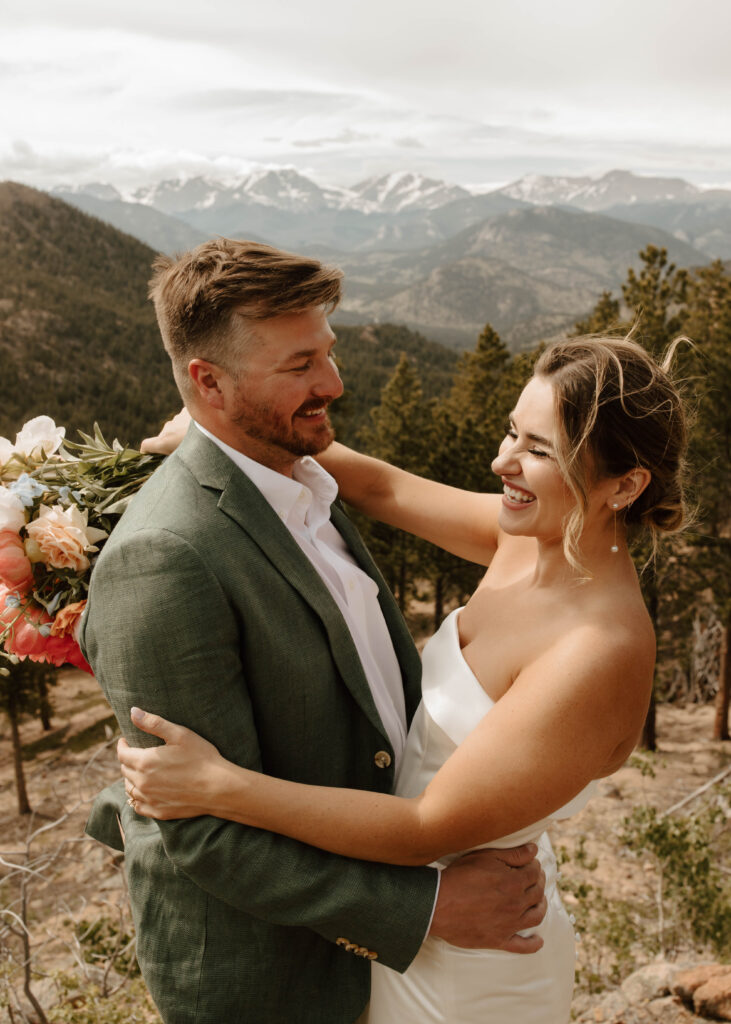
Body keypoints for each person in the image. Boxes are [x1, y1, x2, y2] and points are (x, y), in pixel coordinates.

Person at [117, 334, 689, 1024]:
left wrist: (224, 788)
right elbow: (381, 485)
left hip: (476, 965)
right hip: (419, 928)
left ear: (623, 485)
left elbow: (424, 826)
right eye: (512, 431)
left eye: (538, 451)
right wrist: (220, 434)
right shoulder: (529, 538)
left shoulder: (596, 649)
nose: (500, 461)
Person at [80, 238, 547, 1024]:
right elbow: (202, 836)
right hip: (275, 984)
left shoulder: (303, 480)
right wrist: (423, 908)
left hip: (389, 958)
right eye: (299, 366)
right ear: (208, 381)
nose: (332, 382)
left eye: (325, 352)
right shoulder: (163, 557)